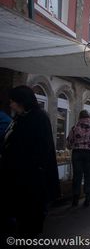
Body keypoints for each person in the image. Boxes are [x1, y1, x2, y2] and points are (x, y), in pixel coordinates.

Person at [0, 85, 60, 238]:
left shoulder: (39, 118)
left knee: (31, 221)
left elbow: (41, 150)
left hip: (31, 179)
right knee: (22, 218)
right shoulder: (20, 117)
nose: (11, 105)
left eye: (13, 101)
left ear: (22, 101)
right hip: (18, 178)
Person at [67, 110, 90, 207]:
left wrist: (71, 146)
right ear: (89, 117)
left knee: (77, 175)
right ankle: (88, 198)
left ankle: (75, 198)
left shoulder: (74, 128)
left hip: (77, 153)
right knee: (89, 175)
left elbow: (69, 143)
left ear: (80, 117)